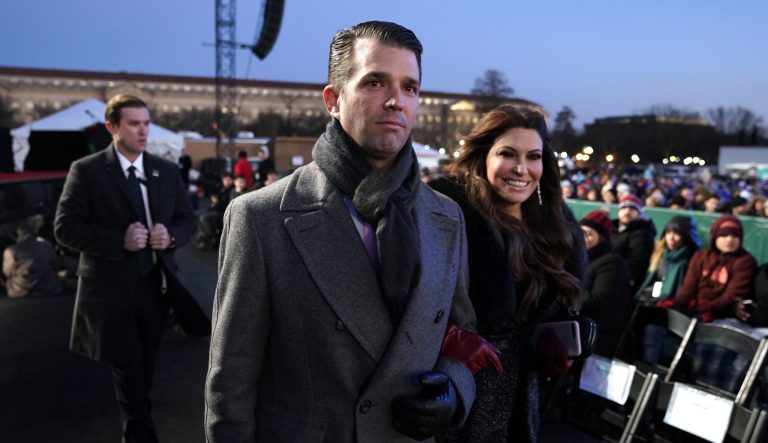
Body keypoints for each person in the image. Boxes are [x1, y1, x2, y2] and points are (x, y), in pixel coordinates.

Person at [205, 21, 486, 442]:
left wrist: (454, 390)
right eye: (375, 82)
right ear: (333, 100)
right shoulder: (260, 217)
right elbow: (231, 383)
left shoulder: (446, 216)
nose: (396, 101)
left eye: (409, 87)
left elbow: (462, 333)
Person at [429, 104, 587, 442]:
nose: (521, 168)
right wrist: (446, 338)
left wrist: (553, 352)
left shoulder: (558, 229)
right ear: (483, 156)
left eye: (533, 156)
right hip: (456, 399)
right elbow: (403, 298)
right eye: (507, 154)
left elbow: (556, 310)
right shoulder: (446, 215)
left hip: (525, 405)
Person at [54, 94, 196, 443]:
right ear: (112, 127)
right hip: (110, 294)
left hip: (156, 290)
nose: (143, 130)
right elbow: (64, 228)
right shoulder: (86, 171)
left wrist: (170, 235)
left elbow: (188, 220)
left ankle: (138, 413)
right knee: (130, 374)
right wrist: (119, 240)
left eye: (146, 123)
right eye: (134, 123)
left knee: (142, 370)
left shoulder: (165, 170)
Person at [658, 214, 757, 322]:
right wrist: (677, 307)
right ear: (715, 237)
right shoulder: (700, 256)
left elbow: (731, 296)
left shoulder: (745, 261)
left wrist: (699, 311)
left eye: (735, 236)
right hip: (695, 306)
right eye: (724, 235)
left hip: (722, 314)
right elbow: (688, 288)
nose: (729, 240)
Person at [579, 209, 632, 356]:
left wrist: (570, 295)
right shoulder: (581, 257)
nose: (584, 238)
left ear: (601, 238)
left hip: (599, 331)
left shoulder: (612, 263)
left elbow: (600, 299)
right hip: (583, 323)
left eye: (589, 234)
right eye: (581, 233)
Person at [635, 215, 701, 303]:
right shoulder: (660, 253)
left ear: (686, 237)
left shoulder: (690, 259)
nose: (671, 238)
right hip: (653, 295)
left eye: (676, 234)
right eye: (668, 233)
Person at [2, 215, 63, 297]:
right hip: (47, 287)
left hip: (19, 290)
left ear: (18, 231)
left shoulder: (11, 249)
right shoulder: (46, 245)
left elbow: (7, 272)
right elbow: (56, 265)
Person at [611, 194, 656, 295]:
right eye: (623, 207)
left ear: (639, 213)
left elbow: (634, 265)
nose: (627, 211)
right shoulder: (611, 229)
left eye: (632, 208)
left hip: (620, 284)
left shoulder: (643, 234)